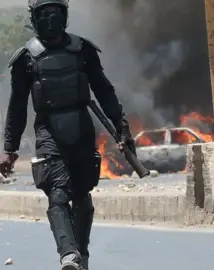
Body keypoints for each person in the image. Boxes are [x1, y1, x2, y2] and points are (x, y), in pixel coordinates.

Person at [0, 0, 136, 269]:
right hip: (48, 131)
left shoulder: (83, 50)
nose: (50, 18)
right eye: (44, 13)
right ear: (35, 18)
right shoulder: (26, 59)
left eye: (55, 12)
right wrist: (9, 148)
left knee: (82, 194)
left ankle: (80, 256)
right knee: (58, 192)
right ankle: (68, 254)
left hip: (83, 130)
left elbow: (104, 90)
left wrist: (122, 127)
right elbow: (17, 107)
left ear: (65, 15)